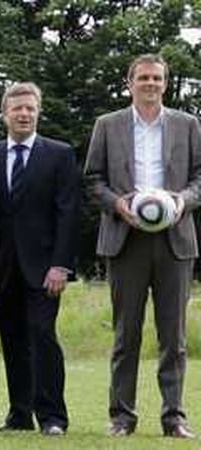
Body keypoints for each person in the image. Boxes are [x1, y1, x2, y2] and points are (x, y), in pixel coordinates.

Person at [84, 54, 201, 439]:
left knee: (174, 337)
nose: (150, 83)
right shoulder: (107, 125)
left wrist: (183, 201)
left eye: (157, 78)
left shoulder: (188, 124)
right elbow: (93, 179)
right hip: (125, 238)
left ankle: (174, 418)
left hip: (174, 240)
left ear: (165, 83)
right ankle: (122, 417)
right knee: (126, 334)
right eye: (143, 78)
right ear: (129, 82)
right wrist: (118, 204)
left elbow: (200, 178)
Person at [0, 82, 79, 436]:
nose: (24, 114)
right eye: (17, 108)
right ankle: (19, 414)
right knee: (12, 339)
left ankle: (52, 417)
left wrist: (61, 265)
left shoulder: (60, 154)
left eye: (30, 108)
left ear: (38, 112)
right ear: (4, 114)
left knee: (42, 335)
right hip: (3, 266)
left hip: (45, 268)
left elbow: (68, 213)